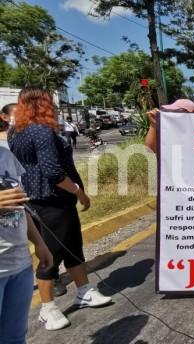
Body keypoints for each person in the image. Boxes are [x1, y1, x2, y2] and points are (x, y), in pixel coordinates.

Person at [8, 88, 112, 331]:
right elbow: (54, 172)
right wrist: (79, 192)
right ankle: (48, 308)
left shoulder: (16, 131)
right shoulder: (42, 131)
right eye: (51, 102)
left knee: (72, 246)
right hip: (52, 199)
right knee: (51, 254)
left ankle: (84, 291)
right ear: (43, 103)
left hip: (37, 200)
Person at [1, 146, 54, 343]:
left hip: (19, 264)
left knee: (15, 337)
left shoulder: (6, 155)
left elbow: (20, 205)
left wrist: (39, 243)